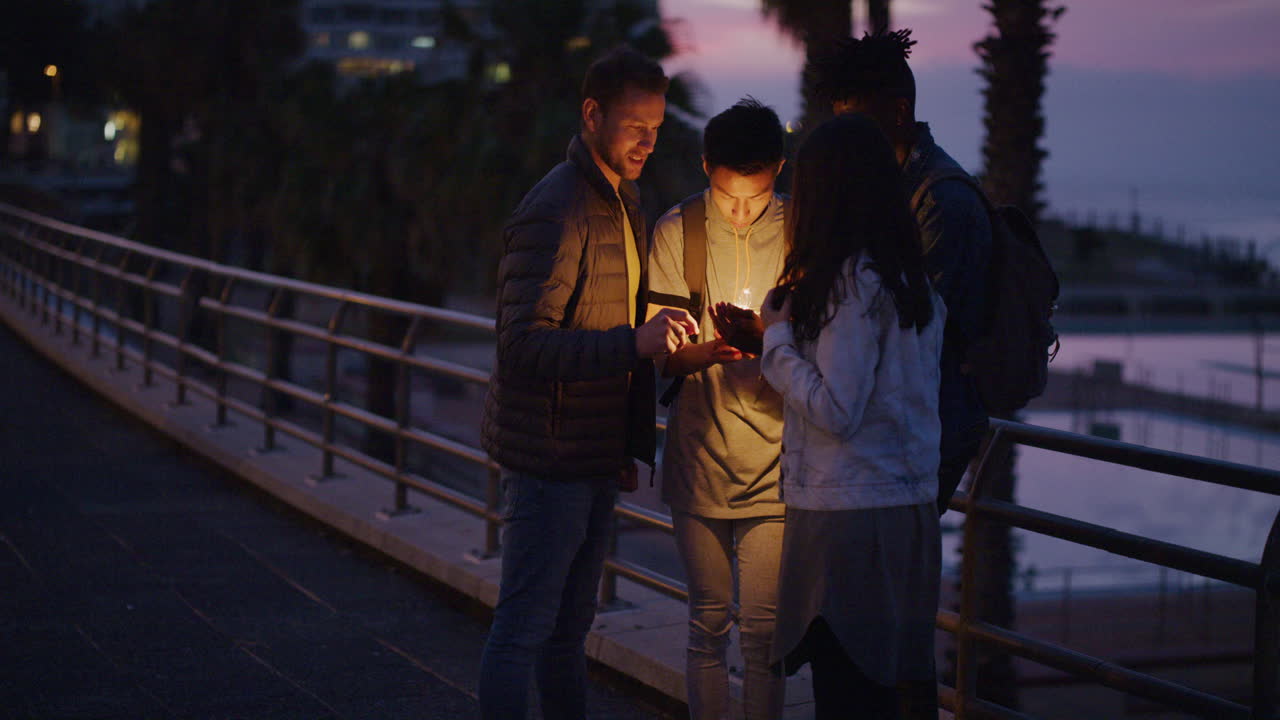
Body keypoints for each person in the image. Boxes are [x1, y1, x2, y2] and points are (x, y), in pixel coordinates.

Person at [478, 46, 698, 720]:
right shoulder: (560, 205)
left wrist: (624, 446)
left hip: (589, 455)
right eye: (635, 126)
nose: (648, 143)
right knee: (524, 632)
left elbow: (608, 321)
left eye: (657, 129)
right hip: (549, 461)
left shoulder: (618, 200)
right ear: (592, 115)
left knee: (568, 635)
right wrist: (636, 340)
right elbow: (523, 345)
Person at [759, 112, 946, 719]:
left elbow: (838, 410)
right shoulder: (911, 279)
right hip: (906, 508)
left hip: (848, 517)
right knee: (884, 697)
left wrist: (777, 342)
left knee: (846, 698)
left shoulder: (850, 281)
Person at [646, 98, 788, 720]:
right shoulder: (679, 230)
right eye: (728, 196)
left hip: (779, 461)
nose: (739, 211)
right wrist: (707, 350)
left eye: (753, 200)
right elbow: (662, 358)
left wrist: (768, 340)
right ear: (706, 166)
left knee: (764, 635)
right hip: (698, 453)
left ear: (778, 172)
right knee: (706, 623)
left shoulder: (801, 232)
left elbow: (817, 343)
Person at [813, 28, 992, 514]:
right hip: (897, 430)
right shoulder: (891, 188)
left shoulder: (939, 202)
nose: (844, 144)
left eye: (856, 126)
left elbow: (904, 327)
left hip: (927, 433)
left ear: (897, 112)